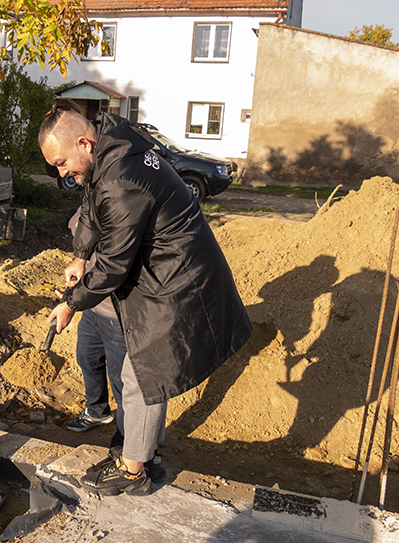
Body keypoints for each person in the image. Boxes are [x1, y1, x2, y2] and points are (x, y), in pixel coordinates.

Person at [40, 99, 252, 497]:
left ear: (84, 144)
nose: (62, 172)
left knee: (144, 372)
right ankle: (145, 449)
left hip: (179, 277)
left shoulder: (123, 180)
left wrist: (71, 303)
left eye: (61, 162)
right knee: (144, 374)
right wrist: (80, 256)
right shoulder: (109, 152)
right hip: (163, 267)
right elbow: (89, 207)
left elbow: (116, 265)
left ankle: (134, 470)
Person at [65, 208, 126, 435]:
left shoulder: (125, 208)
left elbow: (111, 268)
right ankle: (97, 410)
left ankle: (128, 436)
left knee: (122, 379)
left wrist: (70, 306)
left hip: (119, 315)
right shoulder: (93, 197)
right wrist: (80, 260)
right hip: (93, 307)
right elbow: (79, 229)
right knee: (88, 359)